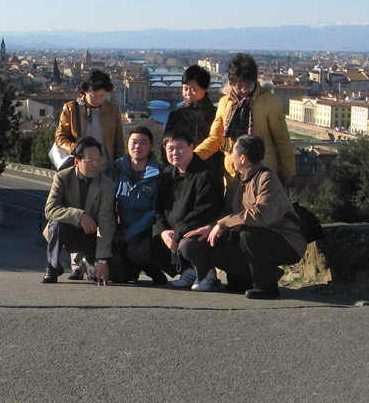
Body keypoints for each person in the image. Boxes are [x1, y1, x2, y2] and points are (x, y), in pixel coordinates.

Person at [190, 135, 306, 299]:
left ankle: (266, 286)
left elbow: (261, 215)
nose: (230, 156)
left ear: (242, 158)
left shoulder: (266, 178)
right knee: (216, 244)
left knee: (249, 234)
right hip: (257, 236)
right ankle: (244, 280)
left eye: (232, 153)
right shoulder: (238, 180)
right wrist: (211, 226)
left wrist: (223, 224)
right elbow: (229, 210)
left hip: (286, 240)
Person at [54, 69, 125, 279]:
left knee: (102, 215)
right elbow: (60, 137)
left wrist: (119, 165)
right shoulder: (70, 108)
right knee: (78, 213)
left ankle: (93, 259)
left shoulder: (112, 110)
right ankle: (76, 264)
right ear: (85, 91)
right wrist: (77, 149)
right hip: (80, 169)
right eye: (94, 95)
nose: (98, 99)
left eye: (103, 95)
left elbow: (118, 141)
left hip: (105, 170)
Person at [194, 53, 295, 185]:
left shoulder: (269, 102)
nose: (242, 90)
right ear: (231, 83)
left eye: (247, 85)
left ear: (255, 80)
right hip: (232, 174)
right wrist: (194, 158)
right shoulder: (225, 103)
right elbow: (215, 138)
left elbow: (282, 139)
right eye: (237, 85)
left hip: (262, 173)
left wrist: (288, 172)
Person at [151, 128, 224, 291]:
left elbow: (205, 211)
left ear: (192, 147)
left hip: (201, 229)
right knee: (146, 243)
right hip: (175, 229)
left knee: (187, 245)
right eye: (170, 149)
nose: (175, 152)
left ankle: (206, 273)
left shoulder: (206, 174)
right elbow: (159, 207)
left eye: (180, 147)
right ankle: (188, 270)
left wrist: (176, 233)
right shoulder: (168, 173)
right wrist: (163, 231)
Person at [42, 136, 115, 285]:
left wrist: (102, 260)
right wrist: (79, 216)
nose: (96, 164)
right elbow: (50, 209)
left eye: (99, 159)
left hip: (91, 236)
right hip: (67, 232)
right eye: (89, 160)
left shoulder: (107, 185)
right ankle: (52, 266)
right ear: (77, 162)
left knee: (106, 274)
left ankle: (88, 262)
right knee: (56, 225)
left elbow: (106, 221)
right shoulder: (62, 177)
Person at [109, 126, 163, 284]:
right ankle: (131, 269)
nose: (137, 147)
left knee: (136, 250)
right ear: (127, 144)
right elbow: (108, 207)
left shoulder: (159, 175)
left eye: (143, 143)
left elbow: (155, 211)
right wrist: (116, 232)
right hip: (121, 233)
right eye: (134, 142)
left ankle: (150, 267)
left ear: (151, 147)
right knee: (118, 277)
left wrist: (129, 234)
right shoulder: (117, 172)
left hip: (147, 233)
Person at [163, 64, 222, 177]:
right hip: (181, 174)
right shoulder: (175, 116)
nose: (188, 94)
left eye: (194, 90)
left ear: (205, 89)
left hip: (210, 174)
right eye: (185, 89)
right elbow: (165, 146)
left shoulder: (216, 115)